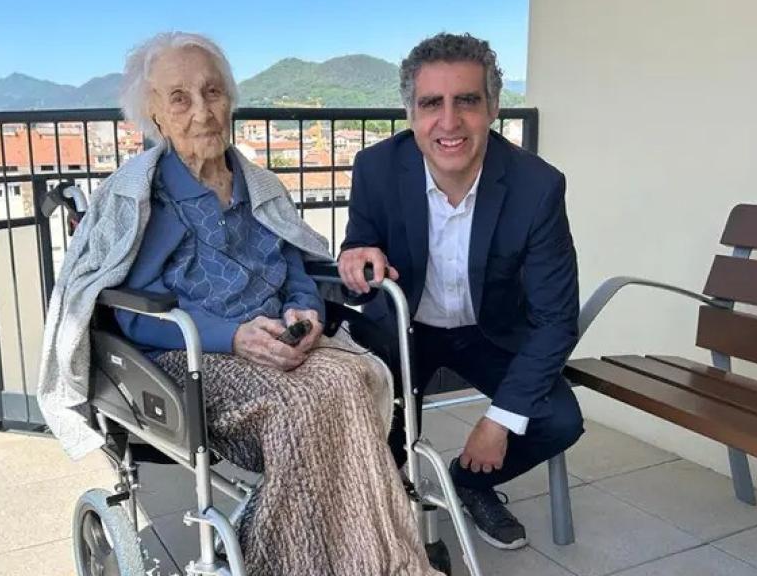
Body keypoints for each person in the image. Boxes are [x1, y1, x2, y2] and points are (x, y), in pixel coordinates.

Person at [37, 32, 441, 576]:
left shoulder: (259, 186)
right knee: (303, 406)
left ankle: (368, 560)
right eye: (179, 97)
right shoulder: (143, 200)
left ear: (229, 99)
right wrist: (231, 337)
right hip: (197, 357)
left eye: (212, 92)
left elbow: (296, 266)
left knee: (353, 378)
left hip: (279, 338)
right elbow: (127, 311)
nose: (202, 111)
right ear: (154, 114)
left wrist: (306, 312)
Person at [338, 32, 585, 550]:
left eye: (467, 101)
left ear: (493, 107)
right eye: (432, 103)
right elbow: (359, 242)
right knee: (370, 437)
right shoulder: (377, 168)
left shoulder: (537, 187)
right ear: (411, 111)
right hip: (404, 332)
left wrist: (498, 421)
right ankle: (389, 516)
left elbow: (556, 317)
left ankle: (467, 483)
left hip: (488, 333)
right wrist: (357, 256)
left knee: (557, 419)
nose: (448, 122)